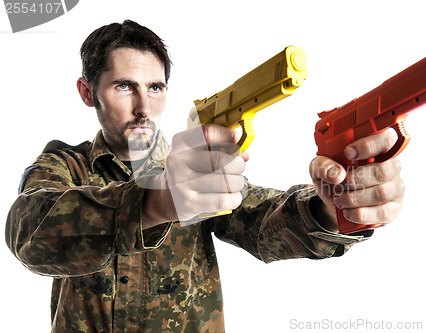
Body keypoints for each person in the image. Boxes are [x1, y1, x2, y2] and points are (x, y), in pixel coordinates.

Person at [5, 20, 405, 332]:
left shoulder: (192, 167)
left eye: (156, 88)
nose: (145, 106)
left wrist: (330, 209)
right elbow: (28, 233)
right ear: (87, 92)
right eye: (125, 87)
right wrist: (153, 203)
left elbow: (261, 219)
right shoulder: (64, 165)